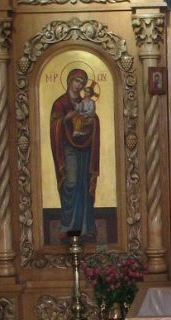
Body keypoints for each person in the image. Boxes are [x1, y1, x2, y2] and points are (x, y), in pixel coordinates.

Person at [49, 69, 100, 239]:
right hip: (68, 148)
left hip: (85, 148)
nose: (79, 85)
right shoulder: (60, 103)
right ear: (69, 81)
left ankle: (85, 228)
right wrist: (67, 118)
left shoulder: (85, 102)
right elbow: (56, 125)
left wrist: (91, 121)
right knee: (70, 182)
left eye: (82, 83)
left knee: (84, 183)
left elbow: (93, 119)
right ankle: (68, 226)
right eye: (76, 81)